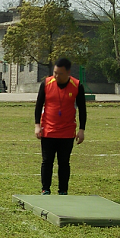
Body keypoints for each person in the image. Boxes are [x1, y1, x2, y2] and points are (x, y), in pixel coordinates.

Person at [34, 57, 87, 195]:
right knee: (47, 161)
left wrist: (81, 129)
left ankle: (63, 190)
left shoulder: (77, 86)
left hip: (67, 131)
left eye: (60, 73)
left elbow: (82, 109)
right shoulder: (46, 83)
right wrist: (37, 125)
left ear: (68, 72)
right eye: (55, 72)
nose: (56, 76)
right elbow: (38, 105)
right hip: (48, 130)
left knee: (64, 163)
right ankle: (45, 189)